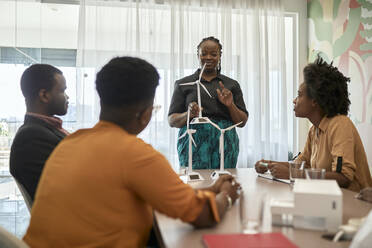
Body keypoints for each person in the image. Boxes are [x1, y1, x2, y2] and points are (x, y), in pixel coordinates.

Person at [23, 57, 240, 248]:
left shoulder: (71, 143)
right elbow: (203, 215)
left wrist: (212, 189)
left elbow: (168, 193)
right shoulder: (136, 155)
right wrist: (227, 196)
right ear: (145, 114)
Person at [255, 56, 372, 192]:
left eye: (299, 95)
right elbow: (300, 165)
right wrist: (269, 164)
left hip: (355, 204)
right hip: (328, 200)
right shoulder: (314, 130)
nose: (294, 100)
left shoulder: (340, 125)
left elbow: (343, 178)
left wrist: (294, 175)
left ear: (314, 101)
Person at [168, 36, 248, 169]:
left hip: (225, 142)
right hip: (193, 143)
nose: (208, 57)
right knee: (195, 184)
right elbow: (172, 120)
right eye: (204, 53)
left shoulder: (231, 84)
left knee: (224, 181)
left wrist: (230, 105)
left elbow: (242, 122)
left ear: (220, 56)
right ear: (197, 55)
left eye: (213, 54)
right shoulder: (183, 84)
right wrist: (188, 114)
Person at [10, 64, 69, 201]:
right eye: (62, 91)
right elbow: (62, 192)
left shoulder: (45, 130)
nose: (67, 96)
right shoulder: (31, 138)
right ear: (44, 95)